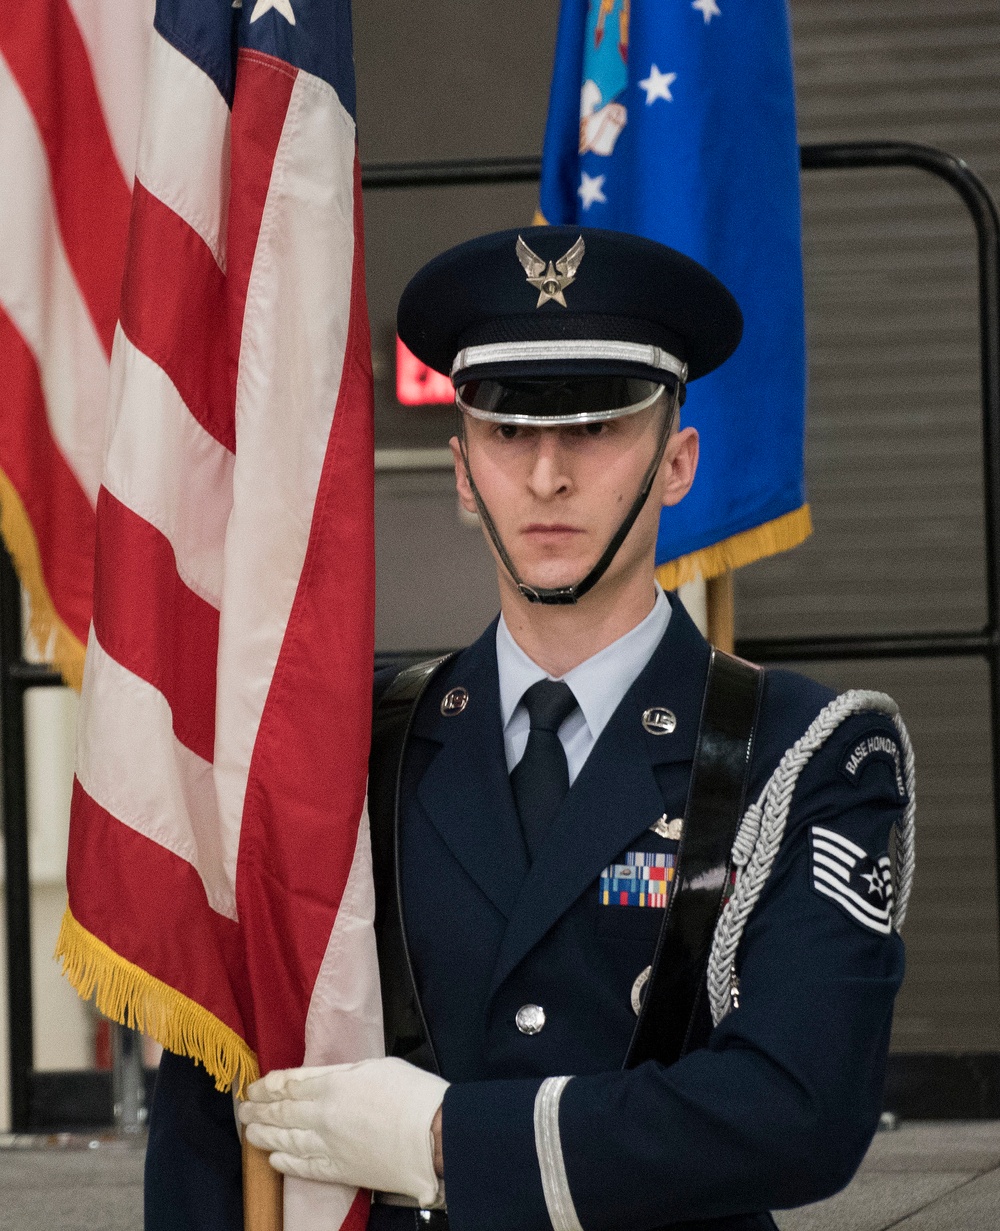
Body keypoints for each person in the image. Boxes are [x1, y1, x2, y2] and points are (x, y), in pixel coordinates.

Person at [145, 226, 914, 1231]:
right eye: (508, 433)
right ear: (463, 470)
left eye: (596, 428)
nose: (548, 475)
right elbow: (212, 1104)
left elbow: (800, 1109)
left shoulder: (804, 751)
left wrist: (444, 1140)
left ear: (676, 462)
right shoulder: (348, 740)